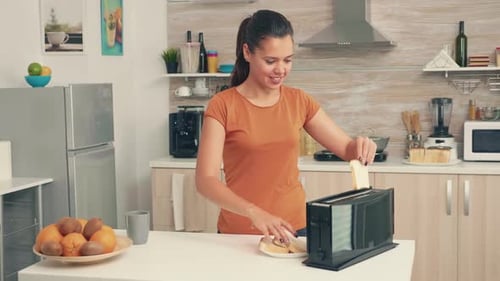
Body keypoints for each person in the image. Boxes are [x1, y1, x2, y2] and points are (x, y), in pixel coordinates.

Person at [195, 9, 376, 242]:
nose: (281, 70)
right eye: (271, 61)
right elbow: (205, 180)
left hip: (294, 230)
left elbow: (347, 149)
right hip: (238, 235)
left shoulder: (299, 101)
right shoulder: (222, 105)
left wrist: (361, 146)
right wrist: (254, 212)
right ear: (247, 52)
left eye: (288, 60)